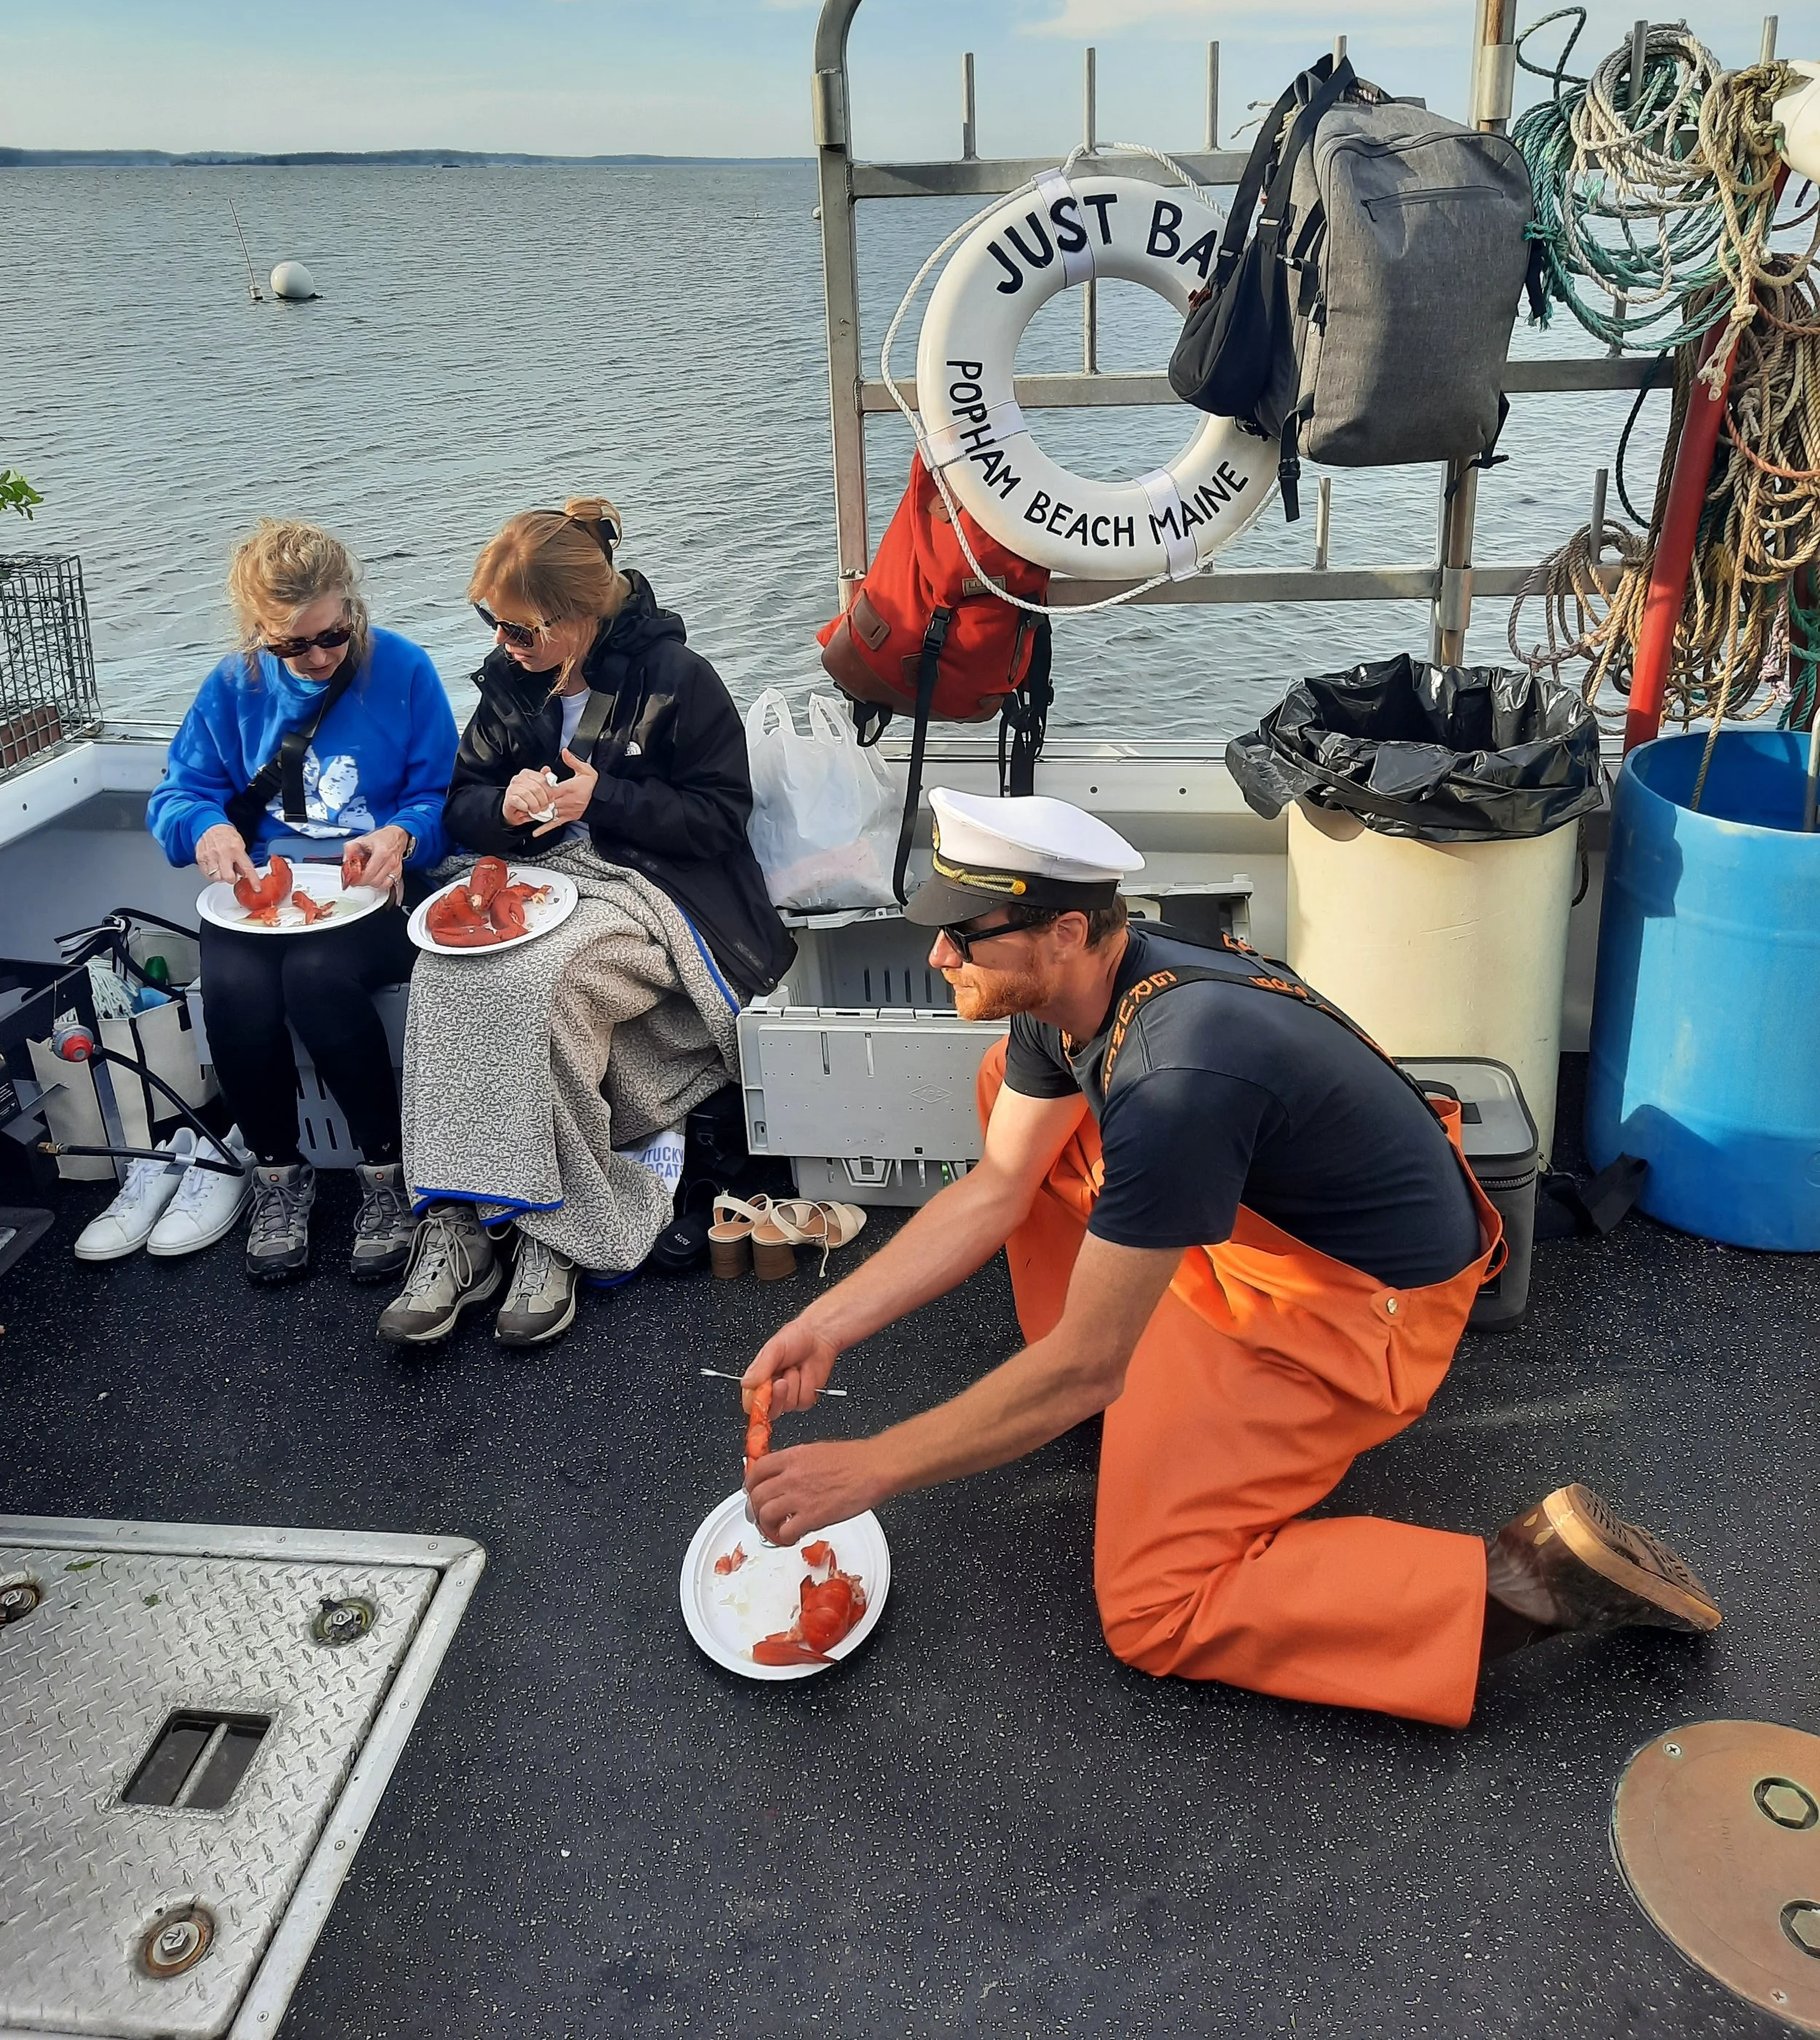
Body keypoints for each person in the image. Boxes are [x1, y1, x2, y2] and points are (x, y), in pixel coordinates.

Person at [741, 788, 1720, 1728]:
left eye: (965, 935)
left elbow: (1092, 1355)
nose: (937, 953)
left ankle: (1524, 1586)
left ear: (1067, 933)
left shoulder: (1176, 1080)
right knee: (1016, 1096)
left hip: (1354, 1309)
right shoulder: (1067, 993)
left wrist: (869, 1469)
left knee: (1152, 1606)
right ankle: (1095, 1385)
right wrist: (823, 1323)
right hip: (1264, 1230)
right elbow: (997, 1187)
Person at [381, 498, 793, 1352]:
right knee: (442, 969)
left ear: (578, 617)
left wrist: (602, 797)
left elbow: (720, 820)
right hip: (540, 878)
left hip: (652, 886)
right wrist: (505, 803)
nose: (504, 644)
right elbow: (462, 806)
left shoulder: (680, 678)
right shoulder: (509, 686)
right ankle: (459, 1222)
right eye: (491, 624)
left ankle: (559, 1228)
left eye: (521, 631)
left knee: (543, 980)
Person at [147, 519, 459, 1282]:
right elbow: (178, 794)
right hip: (266, 892)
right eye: (295, 646)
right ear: (260, 633)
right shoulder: (232, 687)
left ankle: (385, 1177)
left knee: (316, 980)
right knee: (233, 987)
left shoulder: (406, 671)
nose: (319, 659)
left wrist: (403, 836)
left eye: (334, 636)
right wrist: (207, 828)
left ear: (352, 606)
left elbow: (443, 797)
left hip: (377, 887)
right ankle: (279, 1178)